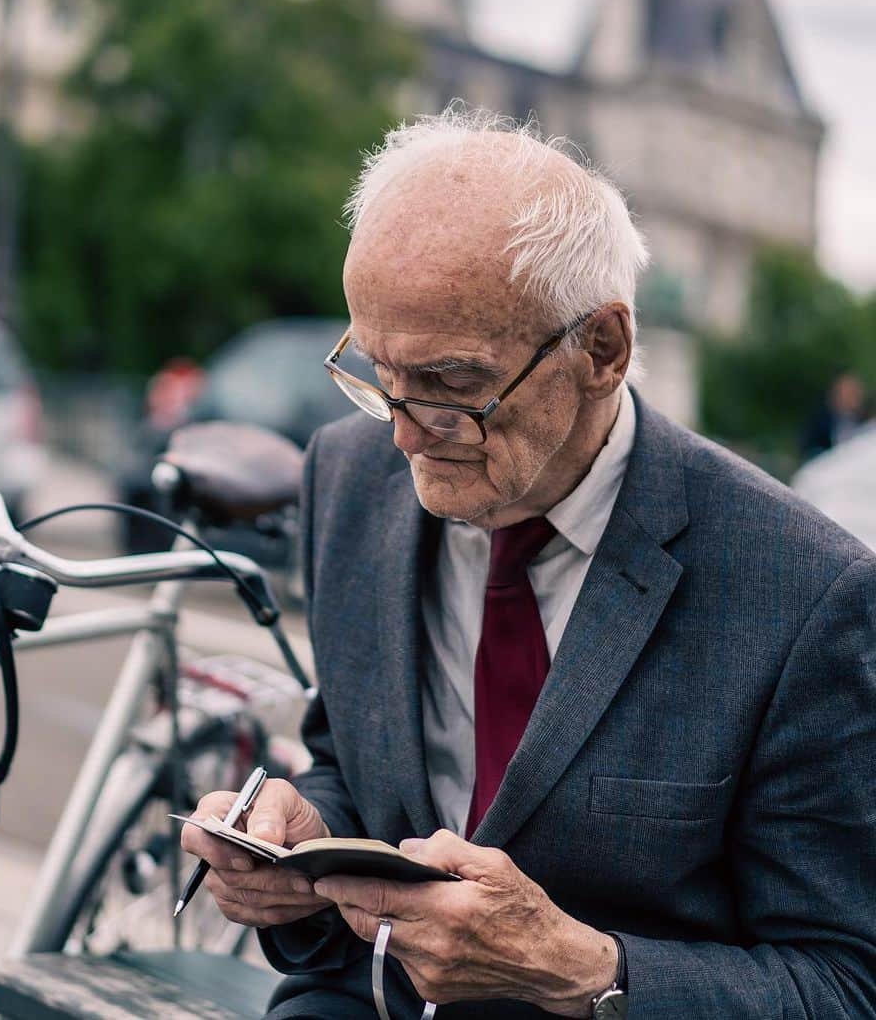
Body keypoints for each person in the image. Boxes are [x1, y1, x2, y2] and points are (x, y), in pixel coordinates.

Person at [181, 109, 876, 1019]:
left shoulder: (804, 593)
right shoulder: (346, 476)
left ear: (604, 351)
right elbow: (348, 763)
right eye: (377, 371)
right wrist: (299, 844)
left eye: (454, 385)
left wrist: (588, 972)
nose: (401, 432)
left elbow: (845, 984)